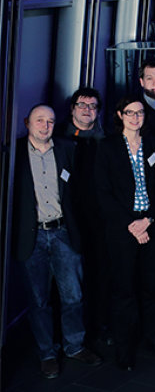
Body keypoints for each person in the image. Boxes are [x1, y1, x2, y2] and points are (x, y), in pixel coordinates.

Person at [12, 104, 102, 379]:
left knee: (73, 295)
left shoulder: (67, 149)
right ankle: (47, 354)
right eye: (39, 120)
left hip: (63, 233)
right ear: (28, 123)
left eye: (50, 121)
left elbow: (79, 192)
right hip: (32, 236)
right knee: (39, 300)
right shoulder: (14, 153)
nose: (45, 126)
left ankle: (74, 346)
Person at [94, 96, 155, 371]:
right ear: (119, 114)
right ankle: (124, 349)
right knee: (123, 290)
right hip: (122, 229)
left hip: (151, 225)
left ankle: (154, 339)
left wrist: (148, 220)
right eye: (130, 112)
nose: (135, 117)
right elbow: (103, 193)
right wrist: (131, 224)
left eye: (139, 112)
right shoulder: (108, 148)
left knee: (153, 287)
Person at [53, 87, 110, 344]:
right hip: (68, 220)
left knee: (99, 274)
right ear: (72, 108)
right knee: (67, 280)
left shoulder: (107, 140)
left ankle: (98, 327)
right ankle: (67, 333)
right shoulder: (58, 139)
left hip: (100, 220)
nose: (87, 110)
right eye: (82, 105)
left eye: (92, 106)